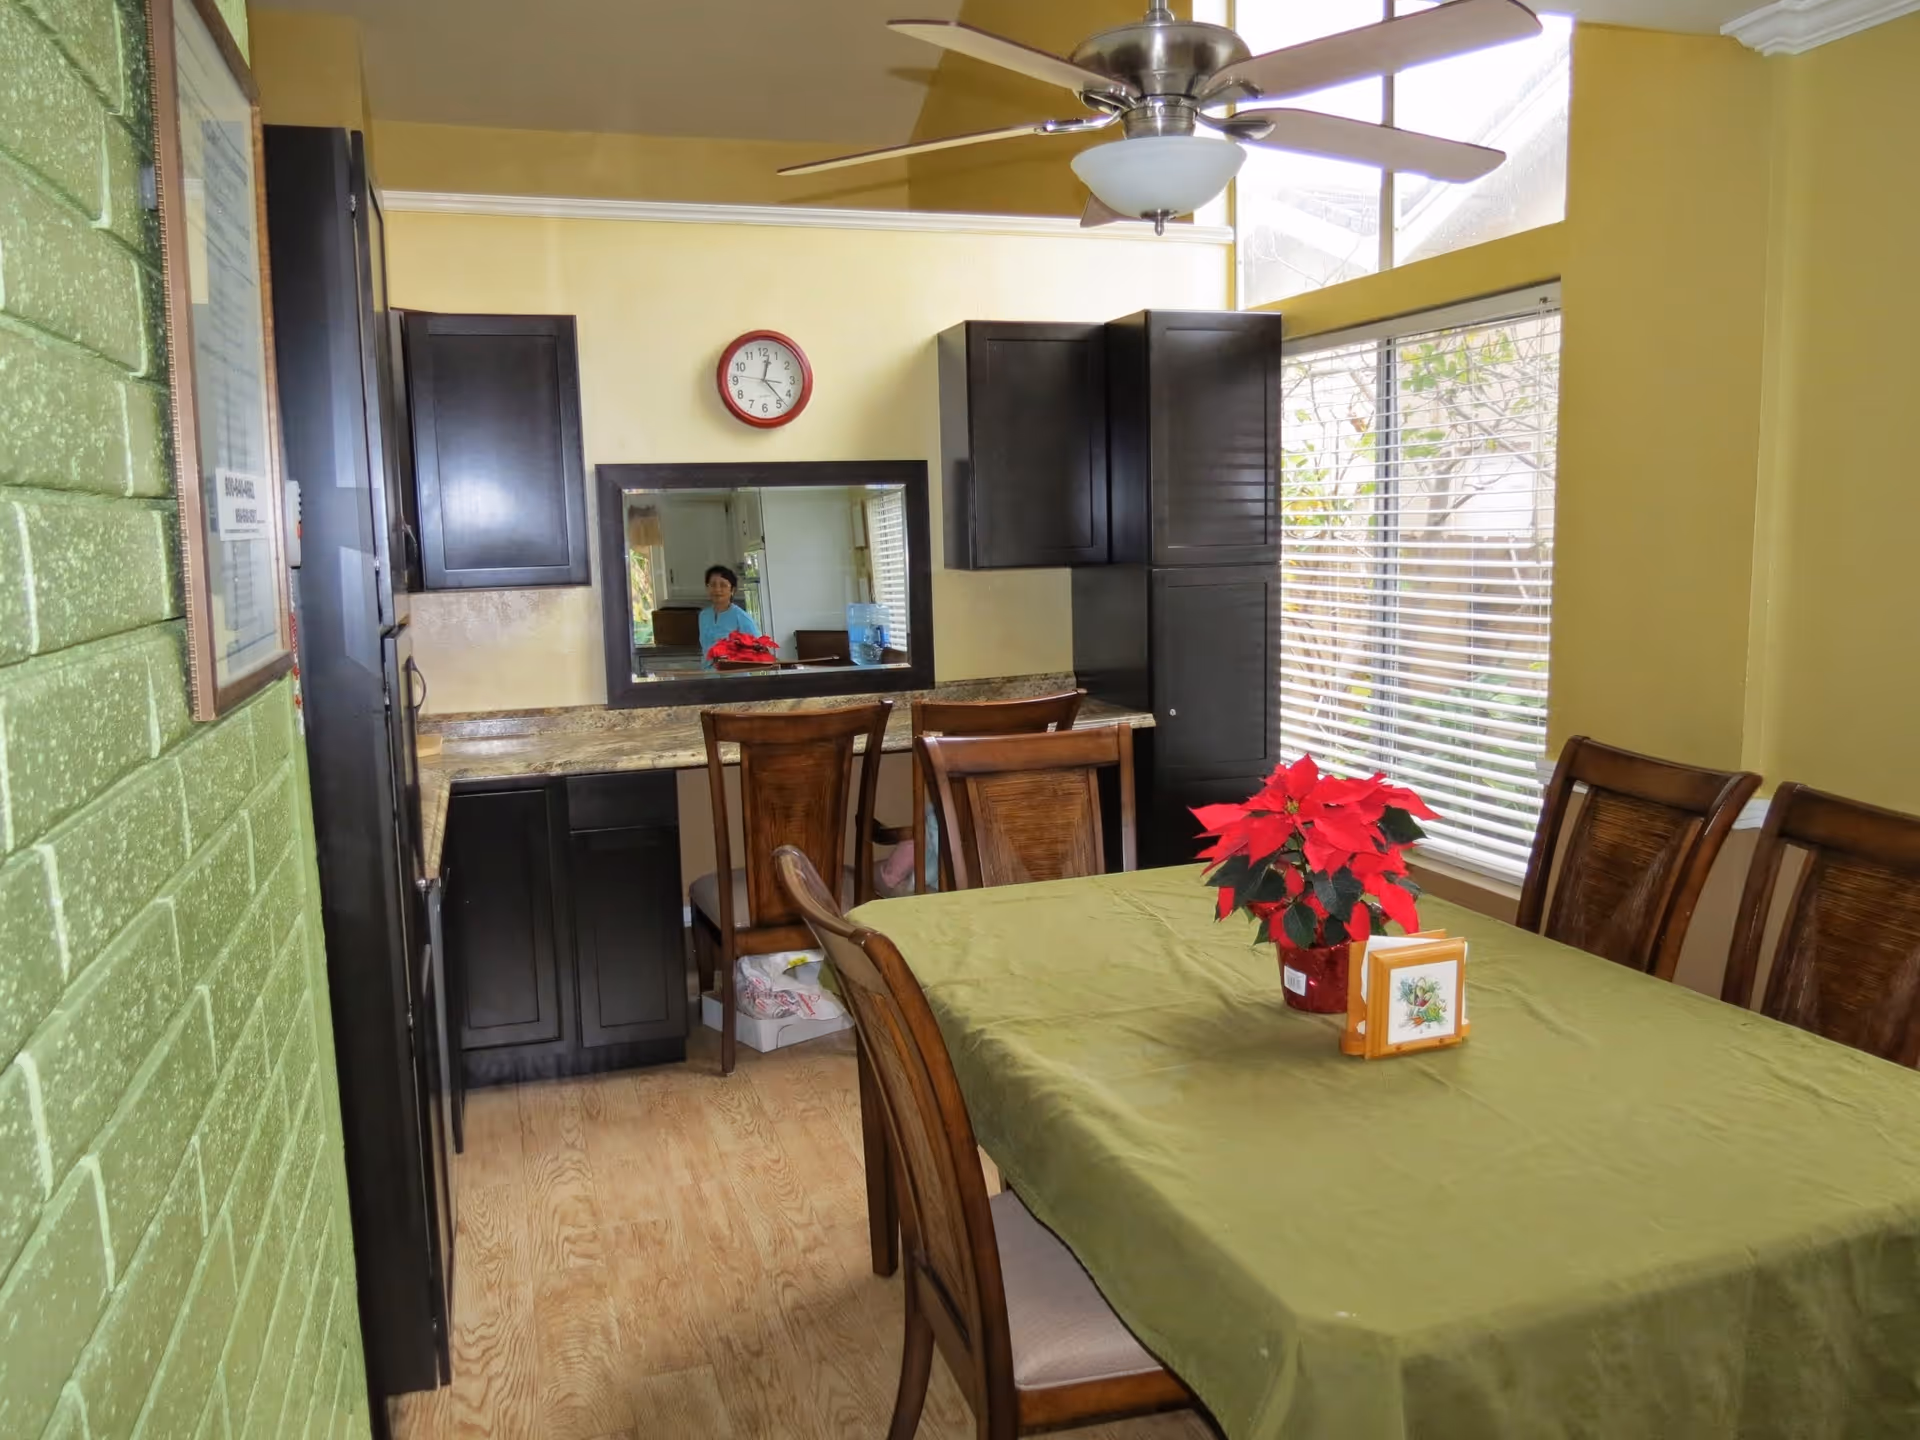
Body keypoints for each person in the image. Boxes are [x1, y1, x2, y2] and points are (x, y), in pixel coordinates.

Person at [699, 564, 758, 668]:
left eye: (723, 585)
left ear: (732, 590)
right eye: (713, 585)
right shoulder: (703, 616)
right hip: (709, 677)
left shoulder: (741, 618)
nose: (717, 590)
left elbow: (758, 650)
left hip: (735, 678)